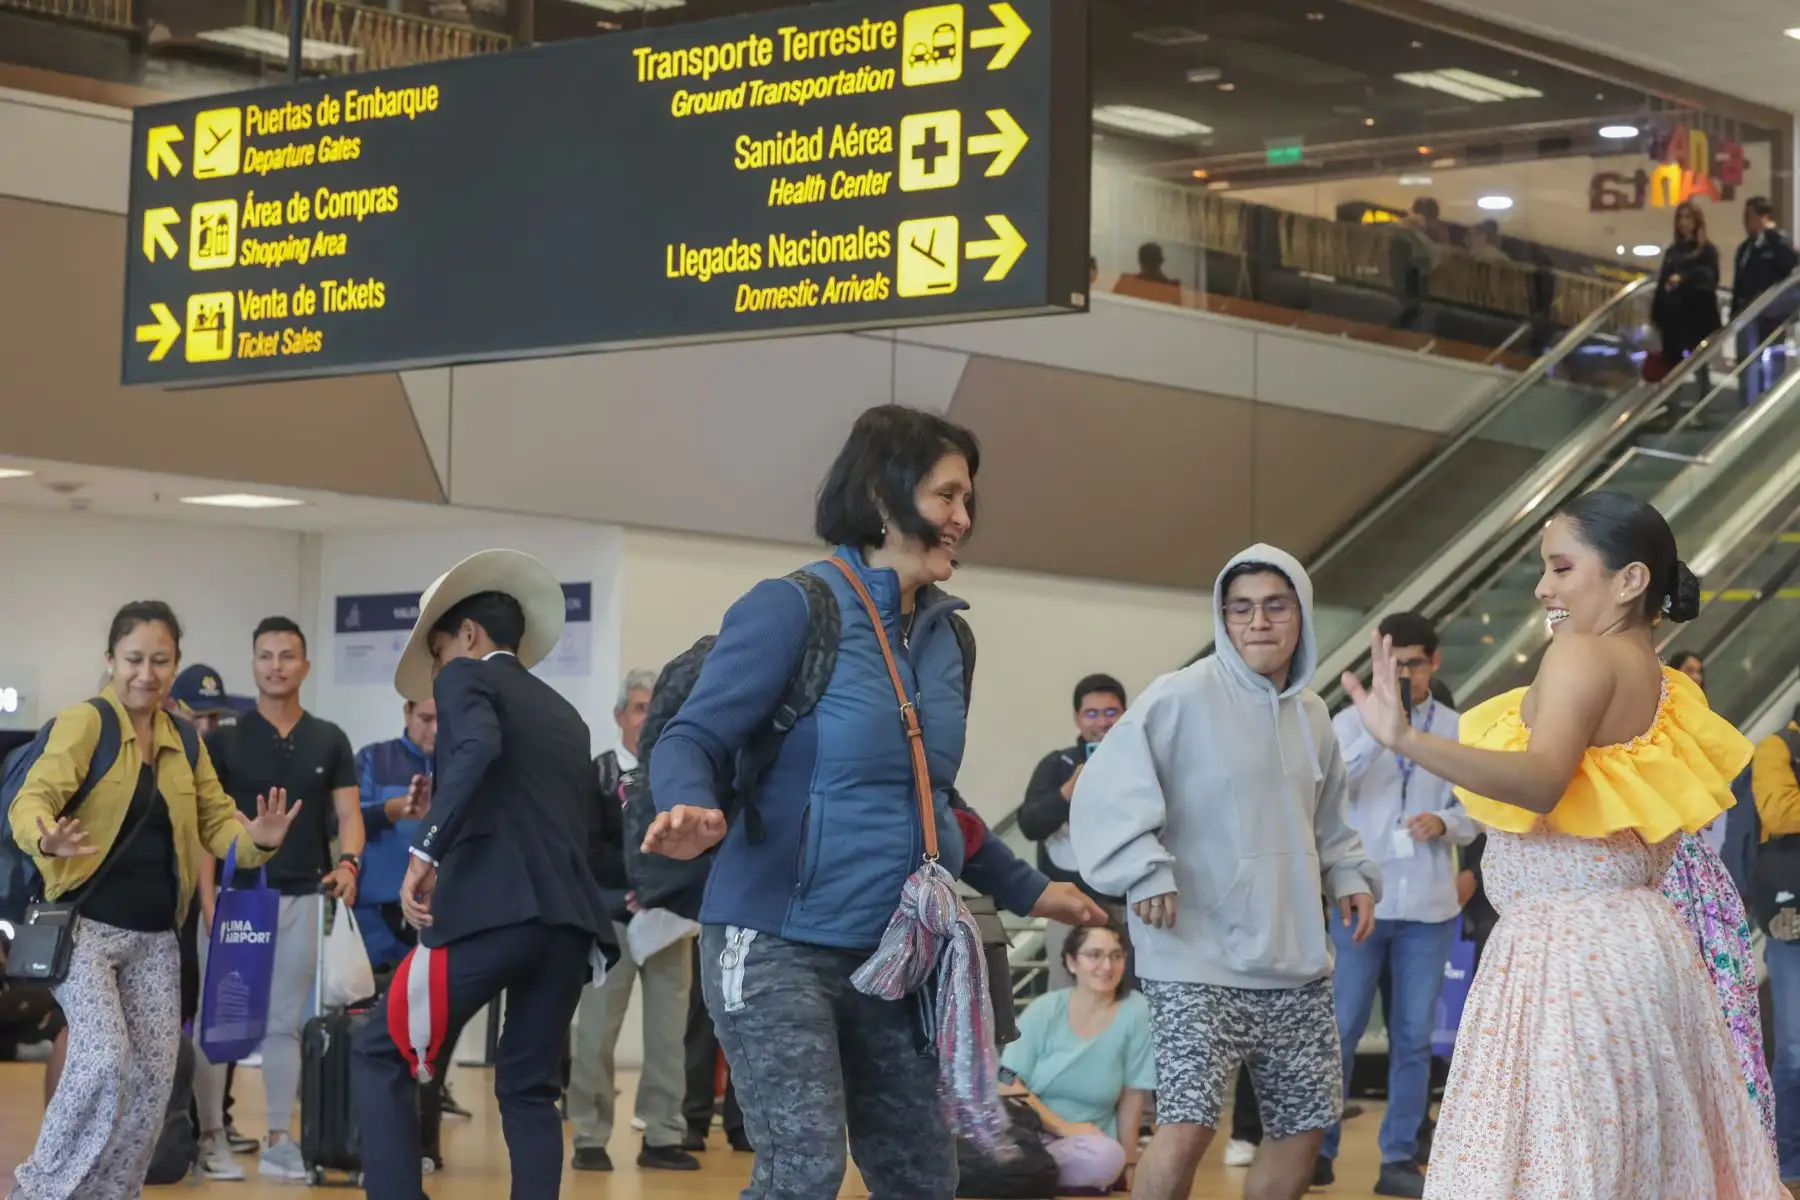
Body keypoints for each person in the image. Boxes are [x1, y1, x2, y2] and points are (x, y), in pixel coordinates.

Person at [643, 404, 1106, 1200]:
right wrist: (689, 805)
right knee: (803, 1172)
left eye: (968, 500)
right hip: (774, 942)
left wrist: (1031, 888)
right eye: (945, 497)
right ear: (885, 501)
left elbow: (934, 797)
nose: (963, 518)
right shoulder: (794, 608)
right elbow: (692, 738)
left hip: (895, 956)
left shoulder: (950, 639)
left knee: (924, 1175)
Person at [1339, 490, 1782, 1197]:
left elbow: (1543, 782)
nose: (1544, 587)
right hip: (1639, 949)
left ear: (1630, 579)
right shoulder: (1662, 682)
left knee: (1561, 1163)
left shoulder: (1581, 652)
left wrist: (1408, 740)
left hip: (1569, 956)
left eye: (1561, 567)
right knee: (1629, 1162)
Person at [1072, 544, 1381, 1200]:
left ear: (1301, 614)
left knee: (1303, 1129)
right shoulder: (1179, 697)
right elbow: (1107, 787)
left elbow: (1328, 819)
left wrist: (1348, 872)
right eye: (1240, 609)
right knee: (1185, 1127)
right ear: (1222, 617)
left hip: (1295, 958)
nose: (1258, 622)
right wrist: (1142, 867)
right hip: (1194, 957)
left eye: (1275, 606)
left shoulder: (1315, 716)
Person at [9, 601, 300, 1199]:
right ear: (111, 660)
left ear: (175, 665)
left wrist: (257, 841)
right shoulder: (86, 723)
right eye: (134, 659)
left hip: (156, 940)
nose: (147, 673)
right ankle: (40, 1189)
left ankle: (114, 1194)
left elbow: (220, 826)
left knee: (148, 1083)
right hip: (86, 928)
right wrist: (48, 833)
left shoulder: (184, 743)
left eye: (160, 661)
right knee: (103, 1057)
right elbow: (32, 797)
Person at [351, 549, 616, 1200]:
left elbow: (476, 749)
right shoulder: (566, 715)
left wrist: (426, 850)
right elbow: (570, 822)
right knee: (529, 1090)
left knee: (379, 1051)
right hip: (569, 925)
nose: (437, 671)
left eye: (437, 653)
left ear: (466, 637)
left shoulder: (465, 679)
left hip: (489, 914)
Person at [195, 616, 363, 1182]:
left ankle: (278, 1138)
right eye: (265, 656)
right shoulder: (223, 741)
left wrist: (349, 863)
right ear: (253, 664)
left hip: (301, 894)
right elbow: (203, 827)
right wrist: (207, 899)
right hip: (234, 899)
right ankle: (211, 1138)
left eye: (287, 656)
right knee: (220, 1021)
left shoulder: (329, 738)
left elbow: (348, 815)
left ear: (305, 666)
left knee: (284, 1023)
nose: (276, 666)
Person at [1316, 611, 1474, 1197]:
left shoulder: (1458, 727)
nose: (1403, 672)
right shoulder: (1348, 723)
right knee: (1343, 1028)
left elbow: (1480, 808)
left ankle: (1399, 1159)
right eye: (1392, 663)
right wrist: (1383, 734)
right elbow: (1327, 792)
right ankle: (1319, 1147)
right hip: (1360, 901)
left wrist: (1449, 820)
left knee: (1412, 1036)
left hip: (1428, 906)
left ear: (1433, 662)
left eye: (1412, 662)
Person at [569, 669, 702, 1173]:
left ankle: (664, 1132)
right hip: (612, 919)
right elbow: (586, 845)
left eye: (654, 708)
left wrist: (662, 888)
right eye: (640, 708)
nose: (647, 718)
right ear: (621, 715)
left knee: (669, 1036)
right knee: (596, 1034)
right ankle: (589, 1132)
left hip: (668, 918)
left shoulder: (677, 772)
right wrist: (632, 888)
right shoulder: (598, 774)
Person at [351, 694, 474, 1148]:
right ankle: (368, 1136)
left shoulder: (463, 762)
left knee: (434, 1025)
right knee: (376, 1029)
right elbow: (342, 816)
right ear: (405, 713)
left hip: (436, 914)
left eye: (443, 718)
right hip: (376, 914)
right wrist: (396, 809)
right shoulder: (373, 757)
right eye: (425, 718)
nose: (434, 729)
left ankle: (425, 1138)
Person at [1001, 923, 1155, 1193]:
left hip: (1085, 1145)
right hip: (1028, 1133)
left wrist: (1129, 1162)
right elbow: (1005, 1079)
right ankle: (1026, 1174)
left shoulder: (1136, 1010)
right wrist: (1063, 1127)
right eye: (1094, 955)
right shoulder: (1045, 1008)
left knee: (1108, 1157)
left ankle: (1023, 1177)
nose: (1107, 966)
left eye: (1116, 956)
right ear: (1072, 962)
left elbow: (1133, 1094)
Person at [1017, 673, 1130, 989]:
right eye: (1091, 713)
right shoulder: (1058, 764)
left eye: (1111, 712)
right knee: (1067, 996)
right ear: (1077, 718)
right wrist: (1069, 791)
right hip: (1071, 907)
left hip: (1129, 907)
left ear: (1125, 714)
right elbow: (1030, 824)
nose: (1102, 722)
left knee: (1131, 997)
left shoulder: (1142, 763)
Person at [1754, 701, 1800, 1184]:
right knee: (1795, 1050)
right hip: (1792, 916)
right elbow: (1780, 811)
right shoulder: (1777, 747)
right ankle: (1786, 1164)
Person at [1731, 196, 1798, 405]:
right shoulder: (1745, 249)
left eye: (1749, 216)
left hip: (1770, 319)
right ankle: (1747, 406)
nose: (1745, 221)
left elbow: (1793, 278)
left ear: (1763, 216)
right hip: (1746, 317)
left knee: (1771, 368)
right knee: (1747, 366)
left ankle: (1770, 406)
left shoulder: (1779, 244)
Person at [1652, 202, 1722, 394]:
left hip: (1696, 318)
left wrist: (1684, 279)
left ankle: (1700, 407)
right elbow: (1661, 284)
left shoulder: (1706, 251)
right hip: (1672, 319)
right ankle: (1672, 408)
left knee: (1698, 365)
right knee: (1672, 367)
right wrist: (1657, 315)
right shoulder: (1673, 252)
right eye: (1680, 218)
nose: (1683, 223)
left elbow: (1709, 279)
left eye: (1687, 218)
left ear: (1696, 221)